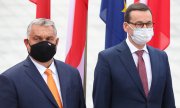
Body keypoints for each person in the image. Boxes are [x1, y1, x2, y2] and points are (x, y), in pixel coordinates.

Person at [93, 3, 176, 108]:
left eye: (149, 23)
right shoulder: (107, 59)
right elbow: (101, 102)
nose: (145, 28)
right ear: (126, 26)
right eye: (139, 24)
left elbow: (168, 101)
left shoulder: (161, 57)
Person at [0, 18, 86, 108]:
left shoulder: (72, 74)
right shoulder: (10, 80)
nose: (44, 43)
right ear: (27, 43)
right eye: (37, 39)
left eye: (49, 39)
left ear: (56, 42)